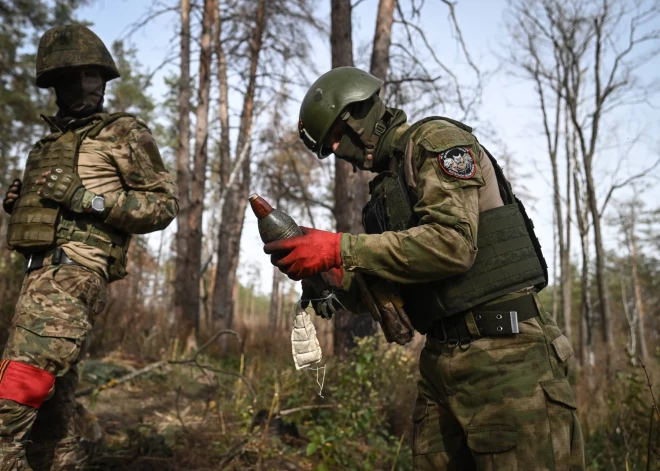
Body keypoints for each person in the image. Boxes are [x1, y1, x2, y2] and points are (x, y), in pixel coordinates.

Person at [264, 67, 584, 470]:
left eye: (335, 137)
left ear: (359, 114)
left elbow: (453, 245)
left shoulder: (435, 142)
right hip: (441, 364)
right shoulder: (385, 195)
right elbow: (386, 295)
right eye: (327, 147)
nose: (338, 153)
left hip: (509, 357)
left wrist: (337, 247)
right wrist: (327, 273)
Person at [0, 25, 178, 470]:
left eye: (90, 76)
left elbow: (163, 204)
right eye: (69, 78)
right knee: (52, 421)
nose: (82, 87)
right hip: (38, 276)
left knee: (12, 402)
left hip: (73, 274)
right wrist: (21, 205)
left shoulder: (123, 132)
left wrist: (89, 199)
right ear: (53, 85)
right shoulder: (49, 142)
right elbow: (54, 212)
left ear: (103, 78)